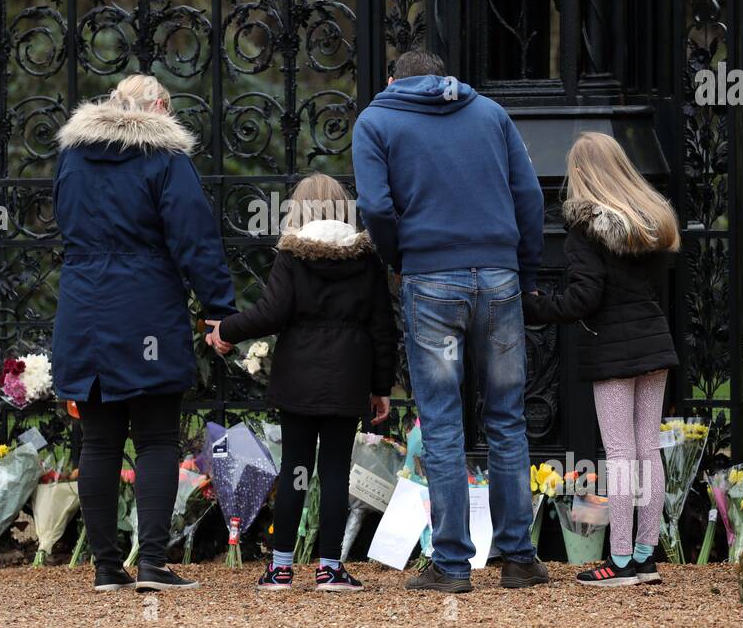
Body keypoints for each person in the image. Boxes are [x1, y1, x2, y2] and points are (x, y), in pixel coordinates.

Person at [352, 48, 547, 592]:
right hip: (501, 276)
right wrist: (524, 270)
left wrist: (399, 258)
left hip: (431, 278)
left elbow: (376, 205)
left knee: (441, 422)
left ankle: (453, 563)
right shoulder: (489, 113)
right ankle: (518, 557)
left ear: (393, 79)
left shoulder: (377, 120)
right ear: (443, 77)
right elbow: (528, 195)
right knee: (507, 418)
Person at [53, 75, 236, 593]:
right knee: (156, 437)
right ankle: (153, 562)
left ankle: (106, 567)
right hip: (146, 303)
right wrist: (219, 309)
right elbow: (194, 238)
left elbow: (64, 218)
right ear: (158, 107)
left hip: (84, 304)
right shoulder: (166, 158)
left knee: (99, 441)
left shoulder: (73, 155)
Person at [205, 173, 398, 592]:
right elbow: (383, 328)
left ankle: (280, 568)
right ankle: (330, 568)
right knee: (333, 473)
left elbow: (271, 313)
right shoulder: (365, 259)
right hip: (347, 380)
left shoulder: (292, 256)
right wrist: (381, 387)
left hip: (298, 379)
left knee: (294, 468)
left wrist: (227, 330)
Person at [523, 132, 679, 586]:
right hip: (654, 346)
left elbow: (583, 298)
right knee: (648, 450)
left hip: (612, 352)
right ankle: (647, 556)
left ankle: (621, 560)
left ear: (582, 174)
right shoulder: (648, 224)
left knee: (620, 452)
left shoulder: (585, 230)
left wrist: (533, 305)